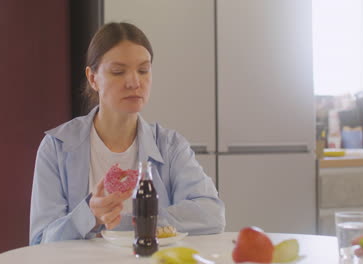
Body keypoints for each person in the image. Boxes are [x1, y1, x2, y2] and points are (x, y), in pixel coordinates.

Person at [29, 22, 225, 245]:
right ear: (93, 78)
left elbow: (212, 213)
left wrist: (140, 220)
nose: (134, 82)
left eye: (143, 70)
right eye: (118, 72)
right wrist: (89, 216)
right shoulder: (56, 147)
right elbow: (40, 242)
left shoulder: (170, 146)